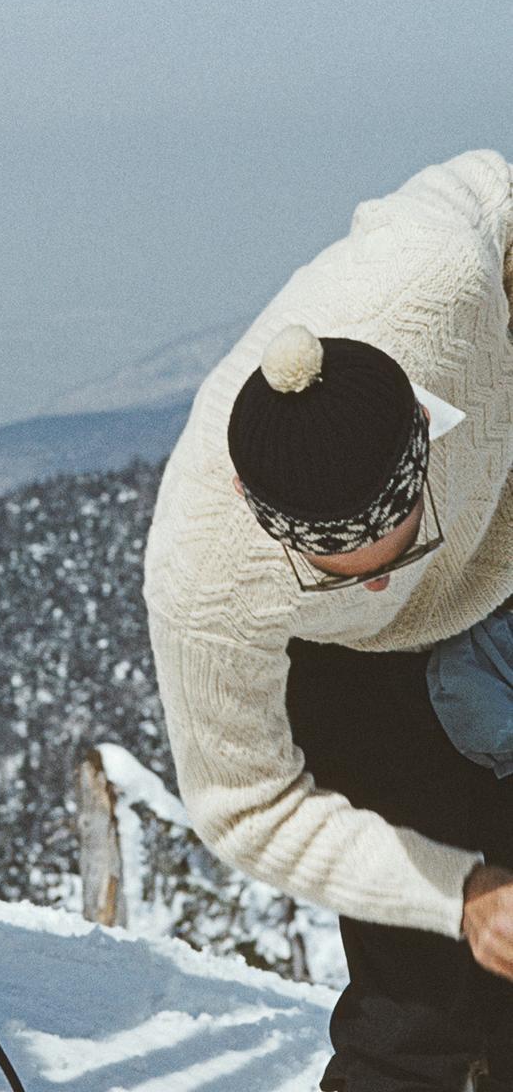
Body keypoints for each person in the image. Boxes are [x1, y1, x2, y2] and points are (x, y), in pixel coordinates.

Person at [144, 149, 513, 1092]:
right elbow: (247, 807)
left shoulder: (435, 284)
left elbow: (486, 188)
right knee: (417, 997)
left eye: (398, 542)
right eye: (338, 567)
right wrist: (456, 892)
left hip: (501, 564)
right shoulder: (207, 577)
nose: (383, 582)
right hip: (348, 673)